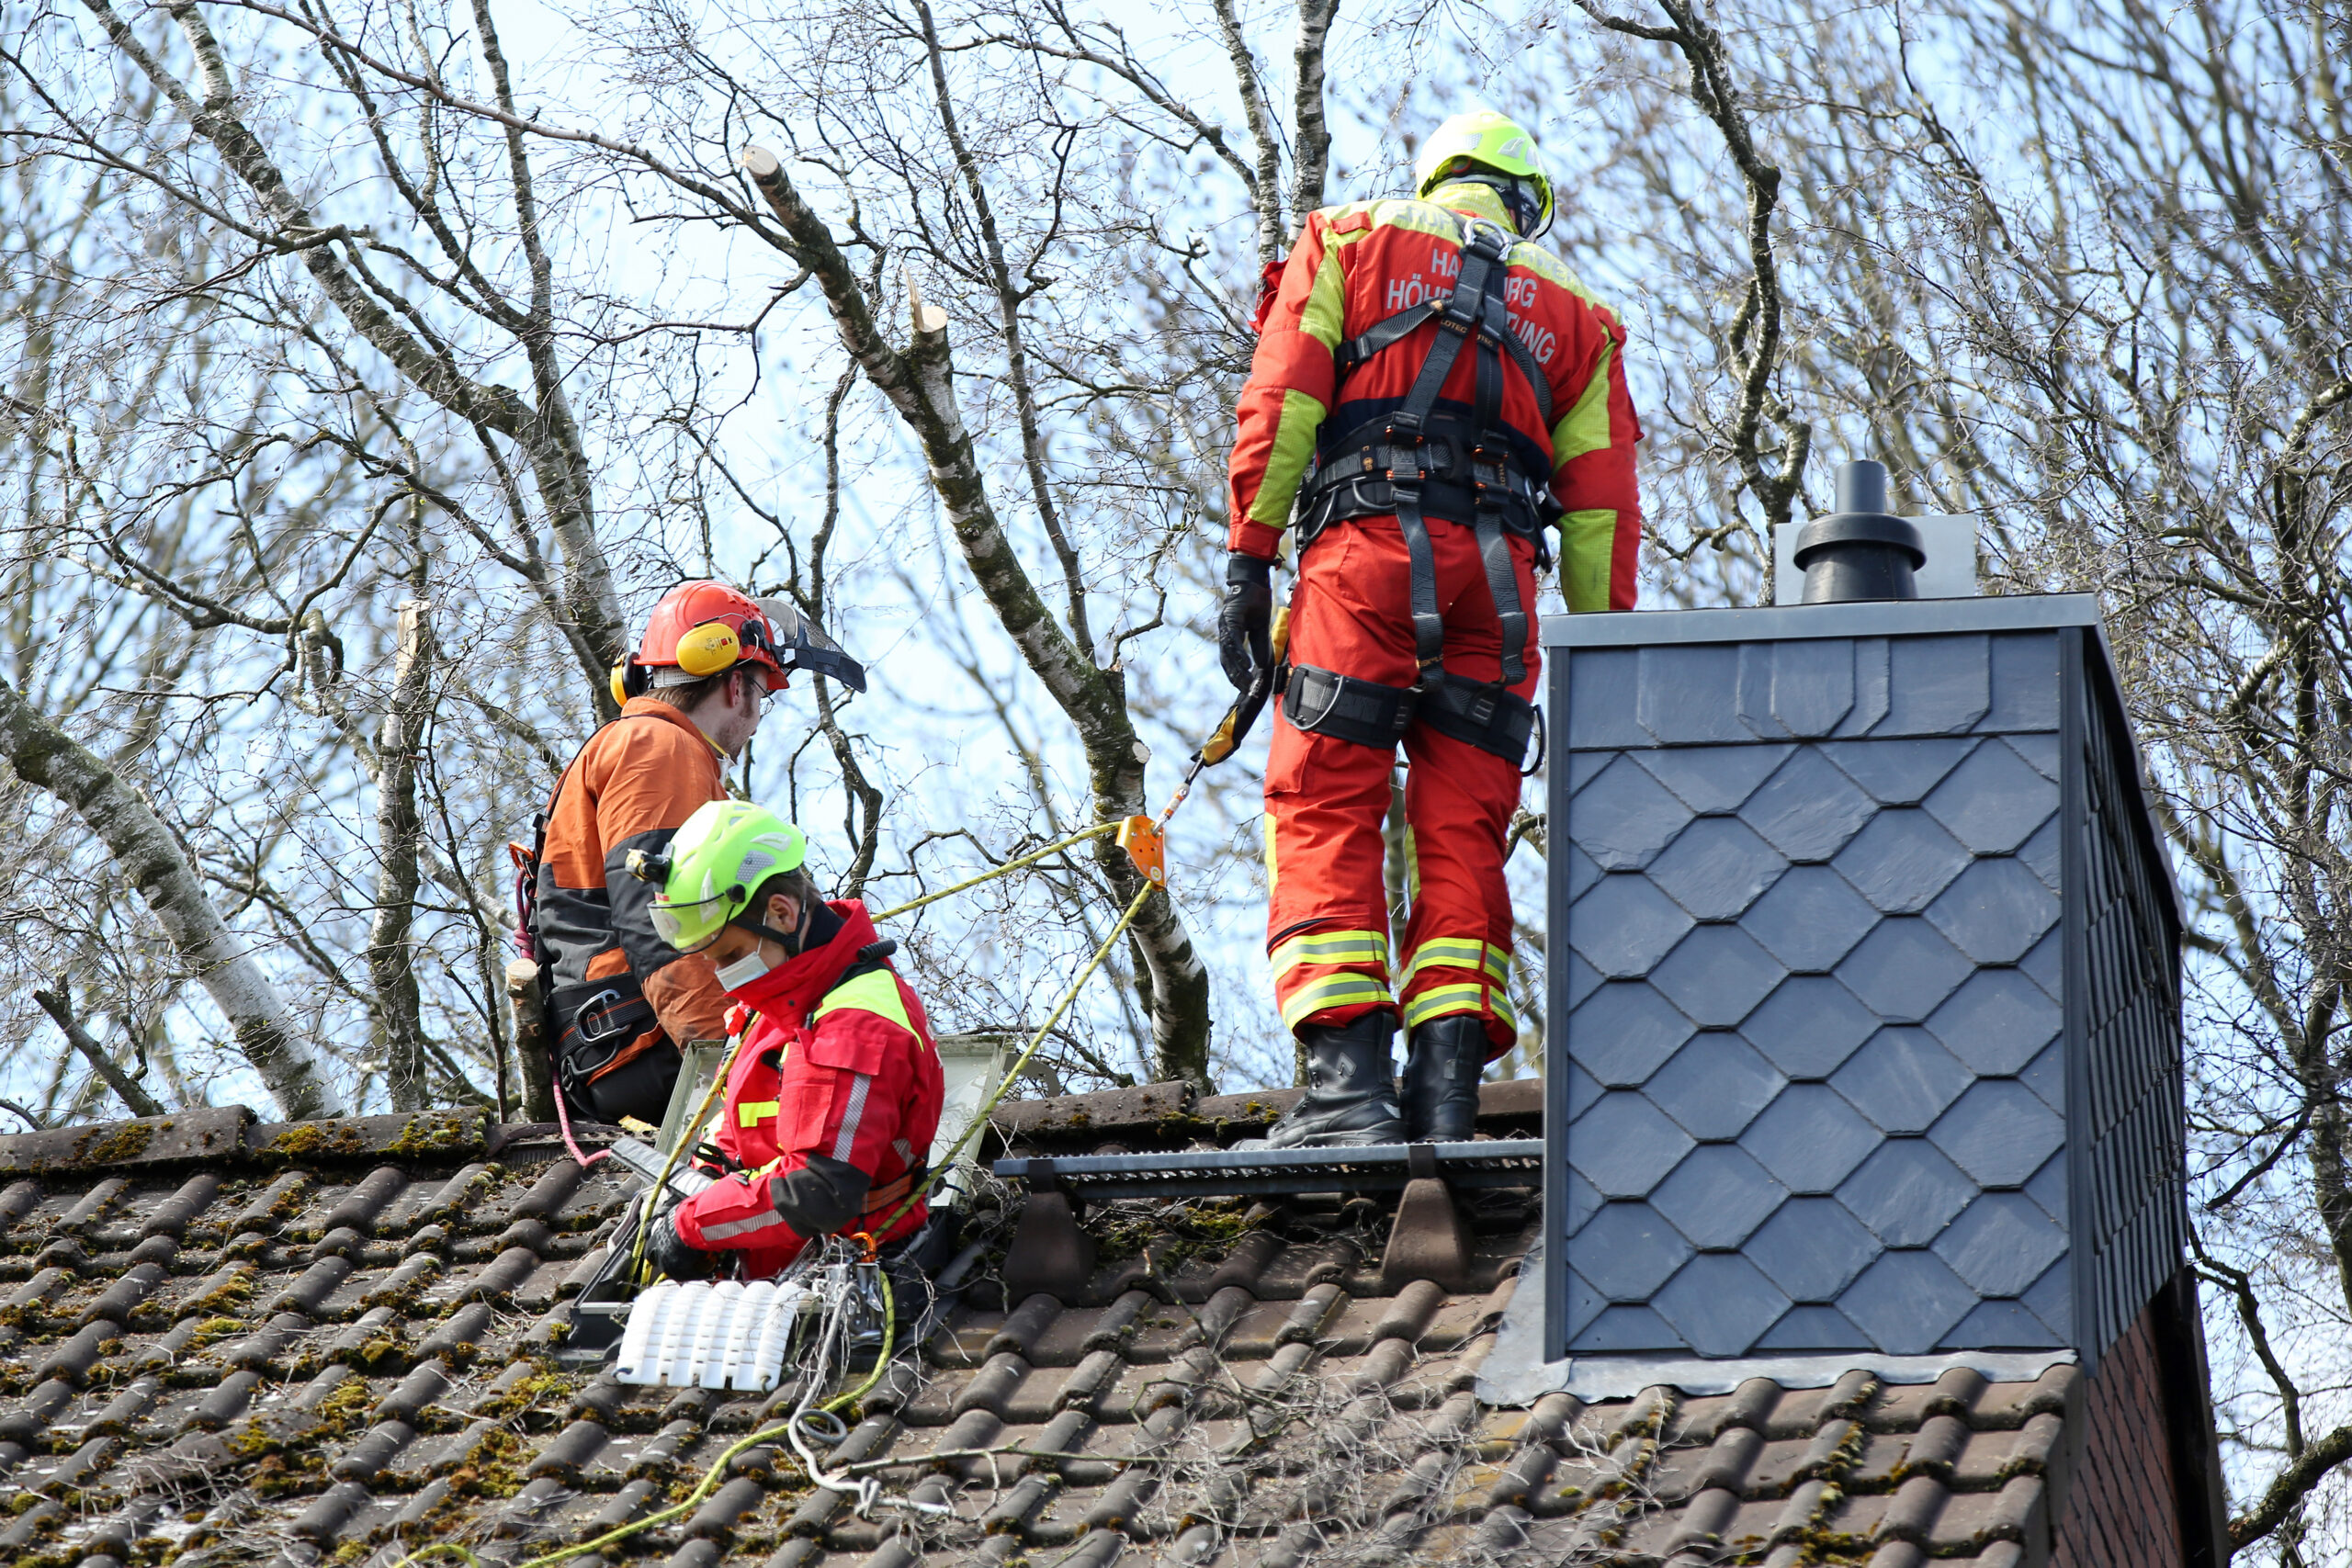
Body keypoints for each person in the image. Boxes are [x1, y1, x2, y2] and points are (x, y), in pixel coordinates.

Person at [1220, 108, 1643, 1146]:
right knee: (1464, 829)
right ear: (1522, 199)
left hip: (1363, 558)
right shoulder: (1581, 319)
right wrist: (1607, 660)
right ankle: (1444, 1097)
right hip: (1497, 594)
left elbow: (1282, 402)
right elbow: (1599, 509)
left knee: (1322, 797)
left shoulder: (1350, 238)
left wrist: (1248, 555)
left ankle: (1343, 1094)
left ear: (1440, 176)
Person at [527, 581, 865, 1127]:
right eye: (763, 696)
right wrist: (725, 1065)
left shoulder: (648, 747)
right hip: (646, 1049)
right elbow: (662, 925)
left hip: (623, 1043)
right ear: (738, 686)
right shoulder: (658, 747)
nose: (757, 719)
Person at [625, 800, 945, 1281]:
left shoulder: (854, 1025)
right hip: (765, 1269)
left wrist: (695, 1225)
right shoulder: (785, 996)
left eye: (729, 952)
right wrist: (703, 1181)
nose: (723, 976)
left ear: (781, 912)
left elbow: (818, 1192)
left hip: (842, 1270)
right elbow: (745, 1125)